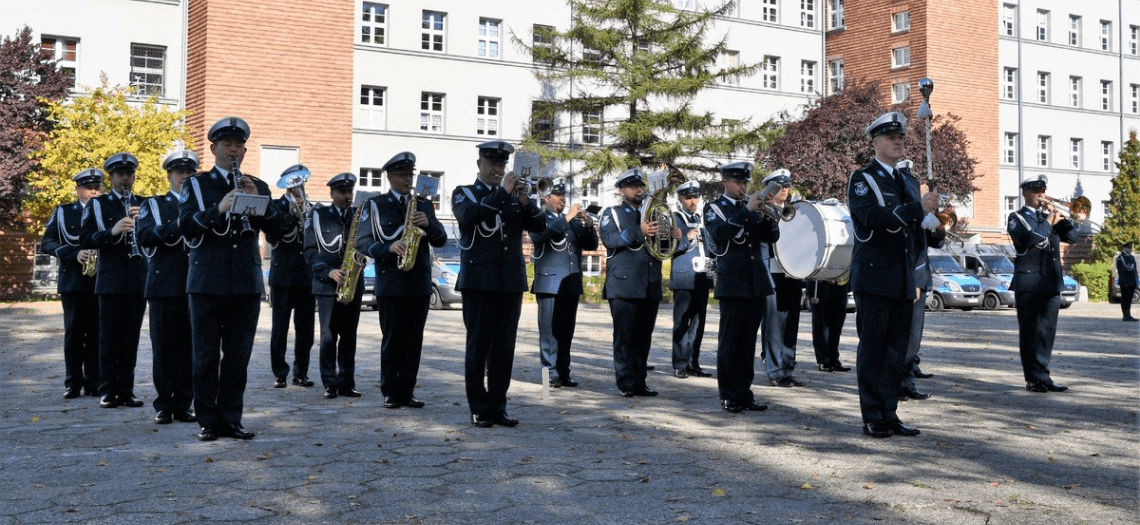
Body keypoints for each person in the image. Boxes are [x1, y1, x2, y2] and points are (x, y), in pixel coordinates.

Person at [179, 116, 279, 441]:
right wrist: (218, 209)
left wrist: (262, 206)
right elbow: (186, 227)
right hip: (207, 284)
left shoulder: (257, 184)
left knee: (238, 356)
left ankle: (232, 417)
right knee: (205, 355)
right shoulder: (196, 184)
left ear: (245, 150)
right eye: (226, 144)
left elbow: (280, 232)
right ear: (213, 148)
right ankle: (208, 419)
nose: (233, 150)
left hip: (246, 283)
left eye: (238, 145)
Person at [847, 111, 938, 438]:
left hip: (902, 279)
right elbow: (873, 218)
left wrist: (934, 225)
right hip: (874, 278)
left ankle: (890, 413)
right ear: (876, 142)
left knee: (895, 353)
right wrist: (918, 210)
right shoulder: (863, 179)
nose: (898, 142)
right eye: (891, 138)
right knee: (873, 350)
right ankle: (873, 415)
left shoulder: (907, 181)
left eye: (901, 137)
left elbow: (915, 233)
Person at [452, 140, 546, 427]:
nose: (498, 169)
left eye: (502, 164)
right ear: (480, 164)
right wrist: (503, 193)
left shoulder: (513, 196)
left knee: (504, 349)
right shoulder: (464, 193)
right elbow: (469, 216)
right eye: (492, 164)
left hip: (510, 281)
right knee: (478, 347)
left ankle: (498, 406)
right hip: (479, 281)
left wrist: (526, 203)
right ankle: (479, 407)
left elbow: (540, 226)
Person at [356, 152, 447, 408]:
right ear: (390, 177)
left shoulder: (423, 204)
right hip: (391, 282)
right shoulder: (375, 205)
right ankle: (390, 390)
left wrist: (429, 223)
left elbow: (440, 240)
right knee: (392, 339)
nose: (409, 180)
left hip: (418, 282)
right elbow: (361, 241)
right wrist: (387, 248)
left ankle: (407, 390)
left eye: (411, 174)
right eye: (403, 175)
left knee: (414, 339)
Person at [705, 162, 778, 413]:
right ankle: (729, 394)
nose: (742, 187)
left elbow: (771, 238)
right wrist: (748, 210)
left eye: (745, 182)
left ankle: (745, 392)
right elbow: (722, 232)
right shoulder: (714, 208)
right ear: (725, 181)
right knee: (730, 342)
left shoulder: (753, 207)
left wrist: (770, 215)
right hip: (733, 282)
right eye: (738, 182)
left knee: (748, 343)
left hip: (756, 282)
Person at [79, 152, 147, 410]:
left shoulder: (144, 203)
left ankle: (127, 390)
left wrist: (143, 223)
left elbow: (154, 238)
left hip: (138, 277)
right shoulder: (99, 204)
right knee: (109, 338)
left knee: (131, 338)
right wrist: (112, 231)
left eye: (129, 174)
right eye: (120, 174)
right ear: (111, 177)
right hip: (110, 280)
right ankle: (107, 390)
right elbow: (85, 239)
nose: (125, 179)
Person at [600, 168, 676, 398]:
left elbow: (662, 248)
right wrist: (638, 231)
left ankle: (640, 381)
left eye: (641, 186)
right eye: (633, 187)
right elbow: (609, 240)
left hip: (648, 285)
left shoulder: (655, 213)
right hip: (623, 285)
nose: (639, 190)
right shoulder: (612, 213)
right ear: (623, 191)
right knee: (625, 338)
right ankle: (625, 382)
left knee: (643, 339)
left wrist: (674, 236)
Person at [136, 150, 198, 424]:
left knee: (190, 348)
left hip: (194, 283)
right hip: (163, 285)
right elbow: (145, 234)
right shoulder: (154, 204)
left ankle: (184, 403)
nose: (185, 177)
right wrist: (177, 224)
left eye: (189, 172)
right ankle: (164, 404)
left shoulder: (200, 205)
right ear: (170, 175)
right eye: (180, 172)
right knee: (163, 348)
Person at [1007, 174, 1078, 393]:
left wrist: (1063, 218)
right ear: (1025, 194)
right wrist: (1049, 222)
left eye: (1043, 191)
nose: (1041, 196)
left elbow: (1073, 237)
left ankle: (1043, 375)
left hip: (1051, 283)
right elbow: (1029, 240)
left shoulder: (1049, 218)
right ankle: (1032, 378)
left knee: (1047, 332)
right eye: (1036, 192)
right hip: (1028, 284)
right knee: (1030, 333)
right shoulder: (1016, 217)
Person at [530, 177, 598, 388]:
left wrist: (587, 225)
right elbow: (540, 237)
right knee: (548, 333)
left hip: (569, 284)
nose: (562, 199)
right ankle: (547, 375)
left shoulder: (572, 221)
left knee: (566, 332)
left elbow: (592, 245)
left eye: (564, 196)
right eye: (558, 195)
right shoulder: (538, 217)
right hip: (548, 284)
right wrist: (567, 218)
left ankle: (563, 372)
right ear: (547, 197)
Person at [41, 169, 102, 399]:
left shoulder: (107, 210)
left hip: (100, 280)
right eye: (88, 187)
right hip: (73, 281)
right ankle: (73, 382)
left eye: (97, 186)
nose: (94, 191)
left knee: (97, 332)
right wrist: (72, 253)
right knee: (74, 333)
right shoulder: (64, 212)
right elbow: (47, 242)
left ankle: (94, 381)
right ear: (77, 189)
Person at [304, 172, 366, 400]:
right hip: (327, 284)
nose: (346, 196)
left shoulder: (359, 215)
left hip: (353, 281)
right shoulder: (318, 215)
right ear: (332, 193)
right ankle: (330, 383)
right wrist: (327, 271)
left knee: (349, 335)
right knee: (329, 337)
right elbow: (309, 250)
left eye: (349, 191)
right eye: (342, 192)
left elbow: (366, 243)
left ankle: (347, 382)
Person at [898, 160, 946, 401]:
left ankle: (907, 380)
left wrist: (938, 224)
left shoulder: (922, 212)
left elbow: (936, 241)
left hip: (921, 277)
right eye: (920, 187)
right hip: (909, 277)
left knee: (914, 336)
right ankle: (897, 381)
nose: (924, 190)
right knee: (902, 335)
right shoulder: (907, 212)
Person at [266, 164, 316, 388]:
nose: (299, 187)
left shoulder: (312, 208)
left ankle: (301, 372)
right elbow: (271, 236)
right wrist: (290, 214)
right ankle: (280, 373)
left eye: (301, 182)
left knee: (305, 329)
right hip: (282, 276)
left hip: (306, 276)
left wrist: (305, 213)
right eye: (295, 183)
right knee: (280, 328)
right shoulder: (276, 207)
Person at [760, 169, 806, 388]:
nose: (786, 189)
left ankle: (787, 369)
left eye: (787, 185)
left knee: (791, 323)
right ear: (770, 188)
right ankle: (775, 370)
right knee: (773, 324)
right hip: (772, 271)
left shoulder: (794, 210)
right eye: (780, 185)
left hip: (792, 272)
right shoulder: (763, 210)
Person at [668, 180, 713, 379]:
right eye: (688, 197)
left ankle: (693, 362)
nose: (693, 201)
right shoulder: (674, 219)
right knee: (681, 323)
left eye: (695, 197)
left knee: (698, 323)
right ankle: (679, 363)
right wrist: (688, 237)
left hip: (702, 277)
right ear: (680, 199)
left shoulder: (701, 218)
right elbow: (668, 247)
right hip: (683, 277)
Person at [806, 279, 851, 372]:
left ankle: (834, 359)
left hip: (840, 286)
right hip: (821, 285)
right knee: (821, 326)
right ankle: (824, 360)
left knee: (837, 326)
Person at [1115, 242, 1137, 322]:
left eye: (1130, 248)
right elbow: (1121, 270)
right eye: (1129, 248)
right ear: (1124, 248)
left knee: (1129, 299)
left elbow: (1134, 270)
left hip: (1132, 281)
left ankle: (1128, 314)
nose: (1130, 249)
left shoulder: (1131, 258)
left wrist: (1135, 281)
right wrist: (1123, 281)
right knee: (1125, 299)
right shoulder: (1120, 258)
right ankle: (1125, 315)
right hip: (1125, 281)